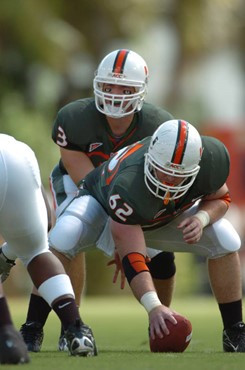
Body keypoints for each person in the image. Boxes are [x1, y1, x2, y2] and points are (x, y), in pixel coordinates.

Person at [5, 49, 177, 352]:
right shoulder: (74, 118)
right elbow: (94, 183)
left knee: (161, 255)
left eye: (124, 88)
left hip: (133, 195)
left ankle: (163, 324)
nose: (115, 95)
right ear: (97, 84)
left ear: (141, 91)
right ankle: (39, 327)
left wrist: (129, 241)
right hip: (80, 183)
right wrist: (122, 235)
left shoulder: (159, 126)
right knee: (64, 240)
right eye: (109, 86)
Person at [43, 119, 244, 352]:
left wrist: (202, 218)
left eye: (178, 175)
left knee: (227, 238)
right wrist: (153, 306)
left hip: (161, 213)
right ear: (151, 156)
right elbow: (133, 254)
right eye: (164, 171)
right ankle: (34, 327)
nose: (168, 180)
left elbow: (222, 198)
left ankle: (235, 331)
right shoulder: (130, 181)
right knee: (63, 237)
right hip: (99, 203)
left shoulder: (211, 160)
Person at [0, 134, 97, 361]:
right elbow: (48, 223)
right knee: (37, 252)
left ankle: (7, 336)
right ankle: (77, 329)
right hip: (17, 153)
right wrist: (15, 249)